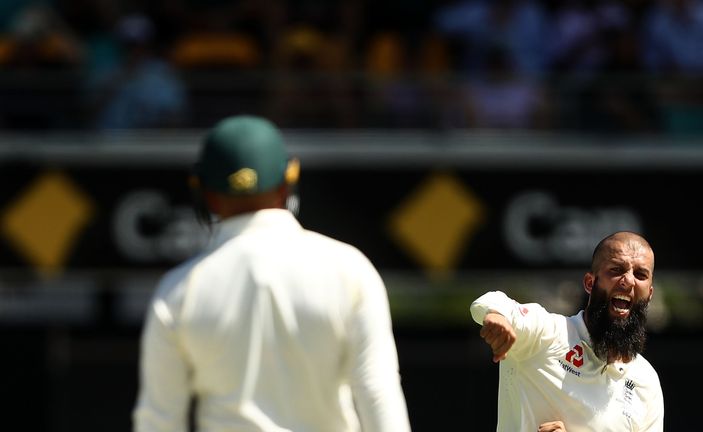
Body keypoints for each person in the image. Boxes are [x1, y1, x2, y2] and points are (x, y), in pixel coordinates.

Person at [133, 115, 411, 432]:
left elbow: (158, 421)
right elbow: (378, 392)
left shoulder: (178, 290)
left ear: (206, 194)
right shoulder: (349, 268)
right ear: (287, 183)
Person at [470, 231, 663, 431]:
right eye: (616, 269)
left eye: (640, 275)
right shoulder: (549, 334)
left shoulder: (645, 379)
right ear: (590, 283)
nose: (629, 281)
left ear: (649, 294)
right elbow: (491, 301)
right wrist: (496, 317)